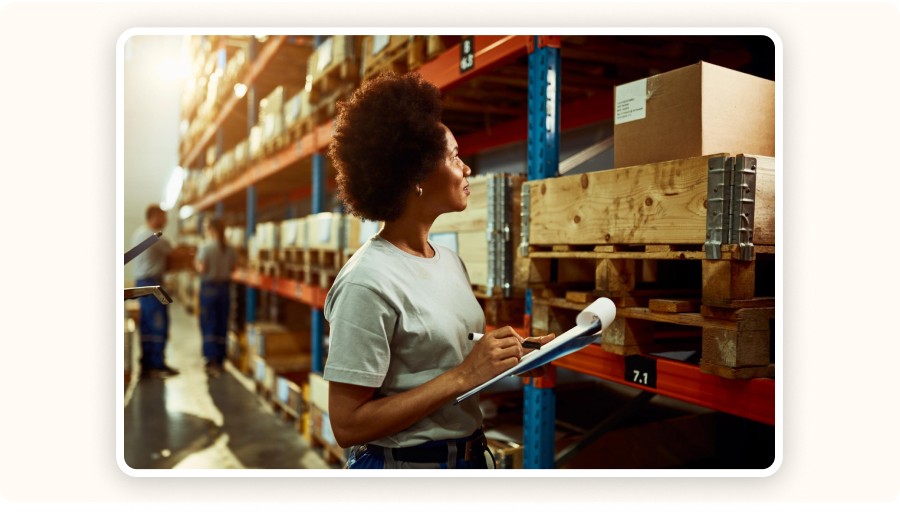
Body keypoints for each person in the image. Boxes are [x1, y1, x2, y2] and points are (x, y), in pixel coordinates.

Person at [323, 72, 555, 469]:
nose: (466, 169)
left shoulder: (449, 260)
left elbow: (446, 360)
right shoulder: (367, 281)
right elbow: (347, 425)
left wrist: (512, 354)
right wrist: (466, 374)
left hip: (468, 460)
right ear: (416, 177)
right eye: (453, 156)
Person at [131, 204, 180, 378]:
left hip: (141, 282)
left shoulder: (138, 233)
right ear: (154, 216)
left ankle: (147, 364)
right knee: (159, 323)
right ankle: (157, 365)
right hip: (153, 283)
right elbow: (175, 255)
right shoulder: (155, 237)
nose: (166, 221)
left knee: (147, 324)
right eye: (163, 217)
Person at [194, 217, 237, 377]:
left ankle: (210, 360)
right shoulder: (229, 249)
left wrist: (196, 265)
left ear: (211, 229)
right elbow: (233, 267)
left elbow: (202, 268)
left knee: (208, 323)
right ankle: (220, 359)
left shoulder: (205, 247)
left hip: (209, 288)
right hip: (225, 289)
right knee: (221, 323)